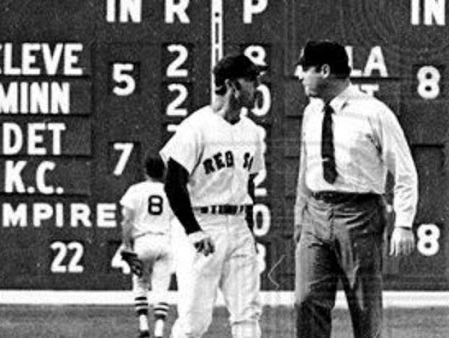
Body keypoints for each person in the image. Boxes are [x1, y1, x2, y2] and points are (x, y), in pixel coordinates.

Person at [292, 40, 419, 338]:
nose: (300, 76)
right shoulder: (311, 112)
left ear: (324, 71)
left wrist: (404, 224)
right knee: (306, 300)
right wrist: (300, 214)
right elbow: (306, 165)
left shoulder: (374, 112)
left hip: (359, 214)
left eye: (304, 69)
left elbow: (405, 171)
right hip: (316, 212)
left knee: (364, 308)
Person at [155, 53, 269, 338]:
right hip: (202, 225)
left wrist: (249, 232)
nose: (257, 87)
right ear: (231, 85)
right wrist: (192, 230)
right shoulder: (195, 127)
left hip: (238, 225)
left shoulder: (252, 131)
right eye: (251, 80)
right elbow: (173, 183)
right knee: (194, 322)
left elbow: (249, 184)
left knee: (248, 315)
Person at [119, 154, 176, 338]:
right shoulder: (171, 190)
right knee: (161, 289)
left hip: (142, 242)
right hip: (164, 242)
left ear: (145, 171)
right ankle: (159, 331)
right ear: (163, 172)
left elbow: (127, 220)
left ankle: (144, 327)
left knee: (141, 284)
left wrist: (126, 245)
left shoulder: (136, 190)